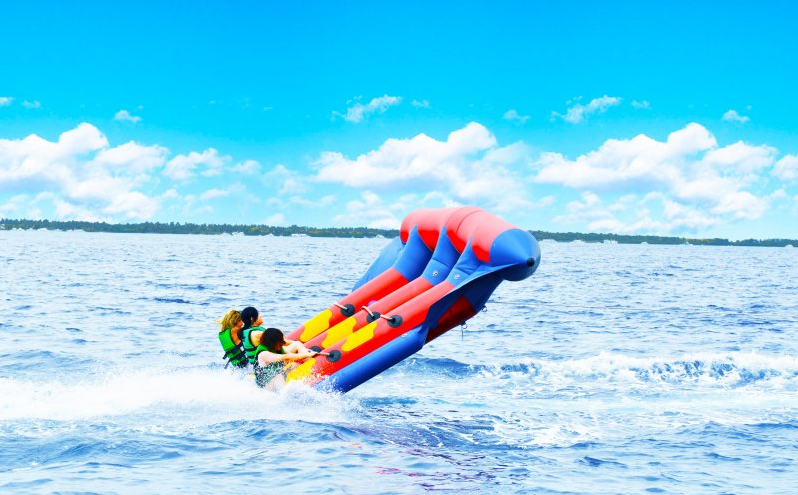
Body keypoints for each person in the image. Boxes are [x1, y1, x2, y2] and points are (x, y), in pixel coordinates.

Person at [239, 306, 315, 389]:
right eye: (258, 313)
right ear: (252, 318)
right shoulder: (258, 334)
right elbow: (283, 345)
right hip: (267, 362)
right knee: (297, 344)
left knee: (294, 364)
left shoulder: (247, 332)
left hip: (261, 365)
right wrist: (306, 352)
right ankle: (315, 366)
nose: (260, 315)